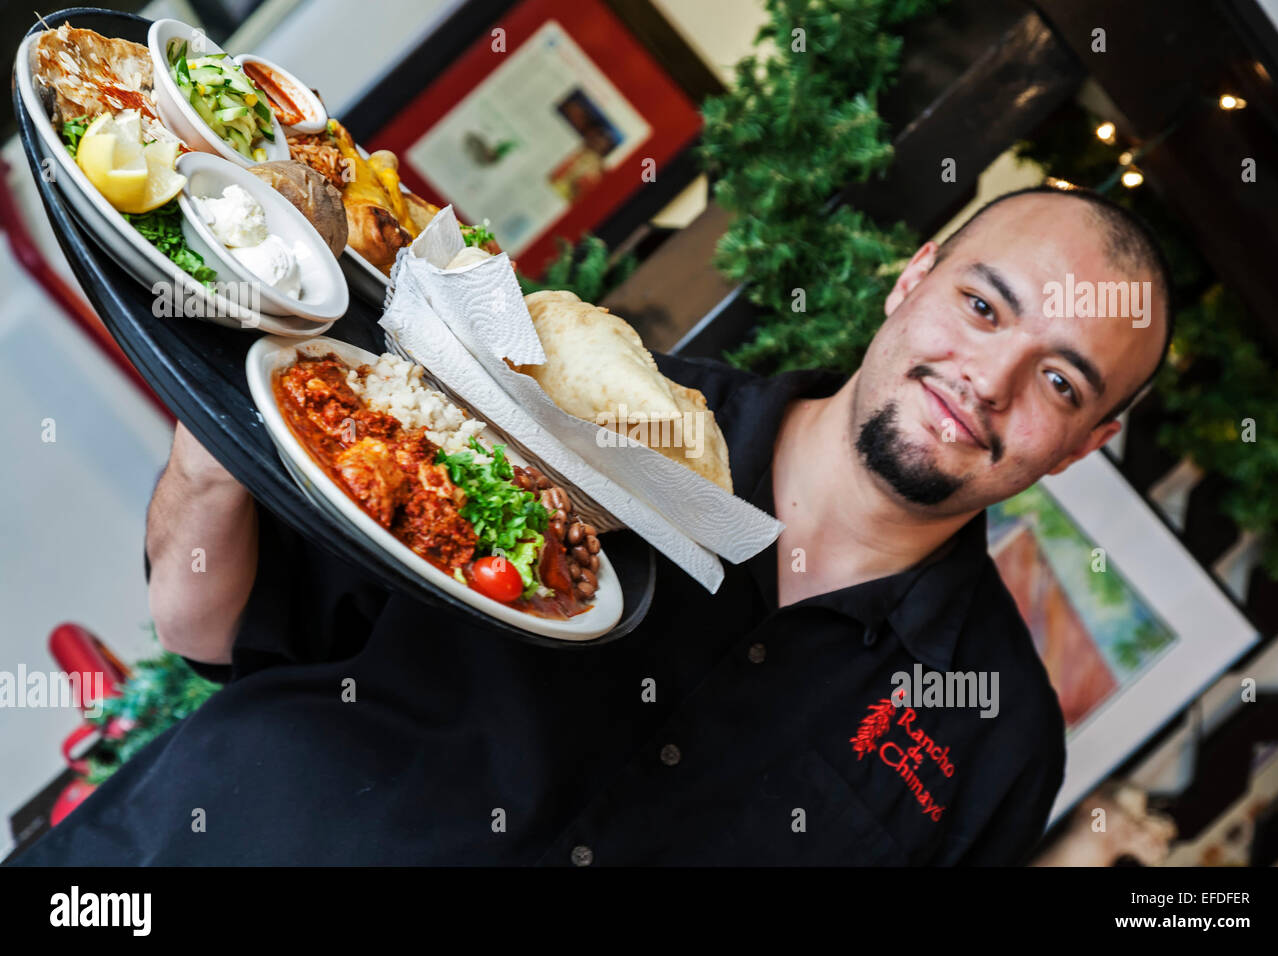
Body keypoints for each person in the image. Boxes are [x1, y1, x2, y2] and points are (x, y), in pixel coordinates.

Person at [12, 185, 1172, 866]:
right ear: (911, 278)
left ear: (1082, 443)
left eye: (1062, 382)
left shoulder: (994, 734)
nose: (989, 379)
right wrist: (227, 425)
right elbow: (214, 625)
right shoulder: (571, 395)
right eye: (980, 305)